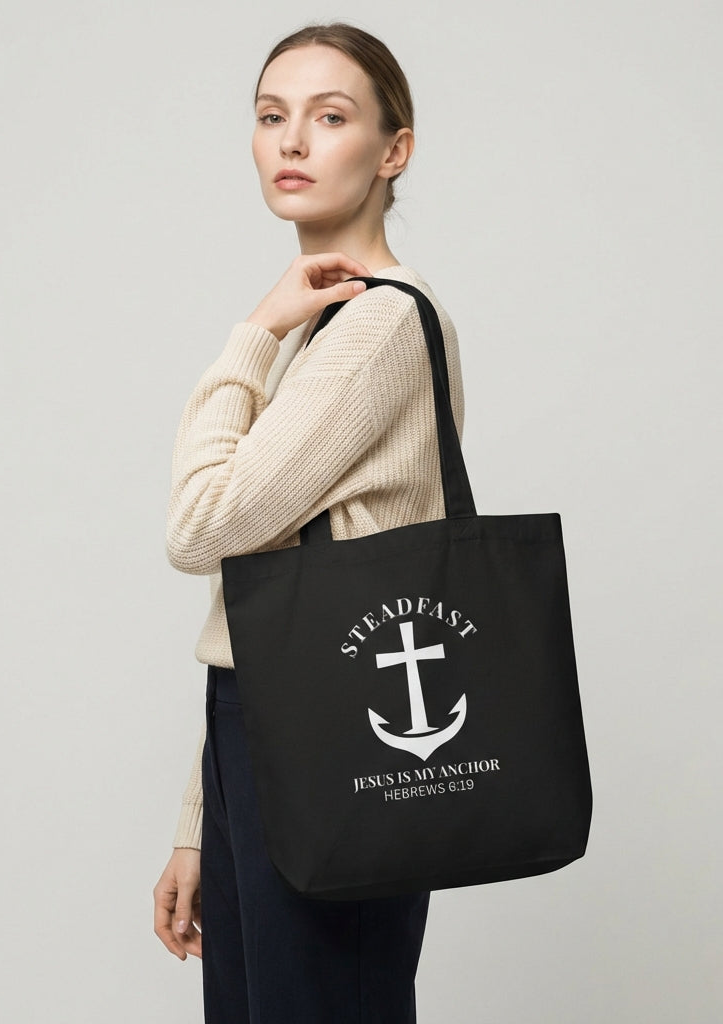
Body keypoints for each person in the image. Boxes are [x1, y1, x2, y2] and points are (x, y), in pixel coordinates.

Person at [153, 22, 465, 1023]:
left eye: (329, 118)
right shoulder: (324, 325)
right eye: (270, 116)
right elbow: (255, 596)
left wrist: (252, 330)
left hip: (338, 739)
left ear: (392, 150)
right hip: (262, 727)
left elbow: (201, 525)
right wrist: (203, 820)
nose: (291, 142)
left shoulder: (373, 326)